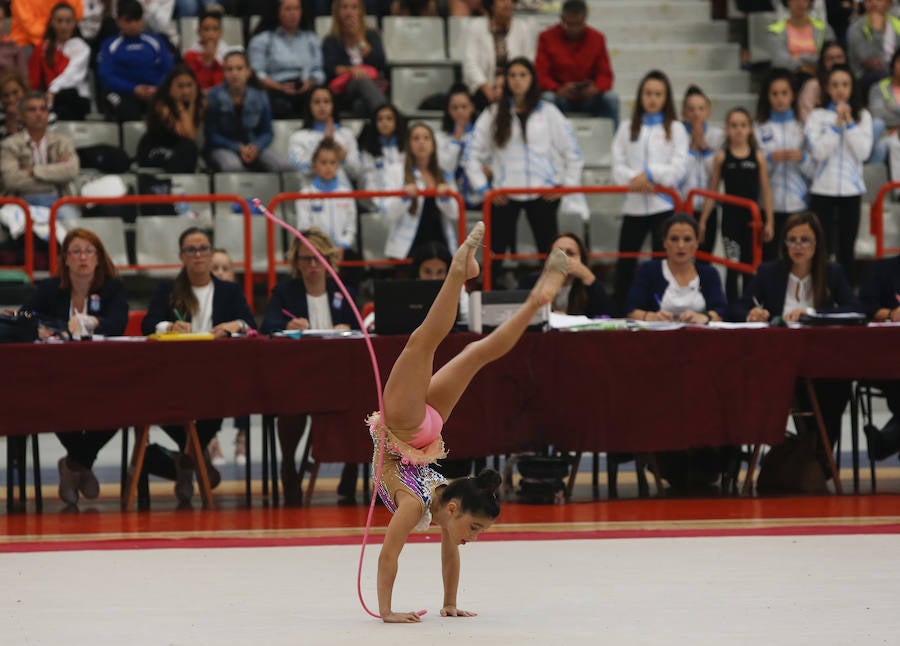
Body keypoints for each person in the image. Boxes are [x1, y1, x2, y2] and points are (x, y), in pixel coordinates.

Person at [372, 221, 568, 622]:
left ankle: (532, 302)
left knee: (467, 351)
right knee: (433, 342)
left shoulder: (433, 504)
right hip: (410, 429)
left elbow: (416, 555)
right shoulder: (429, 503)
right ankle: (464, 272)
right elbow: (390, 554)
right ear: (457, 508)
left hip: (414, 429)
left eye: (476, 531)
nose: (471, 539)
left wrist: (449, 604)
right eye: (475, 528)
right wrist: (387, 613)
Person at [141, 226, 256, 502]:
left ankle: (184, 463)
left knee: (216, 407)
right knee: (166, 410)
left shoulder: (228, 291)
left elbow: (250, 325)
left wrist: (234, 325)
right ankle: (193, 460)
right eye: (191, 249)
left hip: (216, 377)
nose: (198, 255)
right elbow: (148, 324)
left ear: (211, 252)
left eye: (203, 248)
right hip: (172, 375)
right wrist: (168, 325)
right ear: (182, 255)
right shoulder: (168, 289)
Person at [21, 228, 127, 505]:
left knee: (123, 404)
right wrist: (40, 326)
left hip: (104, 374)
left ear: (98, 258)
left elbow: (119, 322)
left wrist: (94, 323)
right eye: (76, 251)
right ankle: (82, 465)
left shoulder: (113, 289)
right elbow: (24, 314)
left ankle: (75, 464)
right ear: (65, 259)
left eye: (88, 251)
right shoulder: (49, 289)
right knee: (54, 403)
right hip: (59, 375)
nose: (83, 257)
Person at [739, 211, 858, 447]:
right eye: (792, 240)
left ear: (817, 244)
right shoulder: (769, 272)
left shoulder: (832, 272)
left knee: (838, 381)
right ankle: (802, 452)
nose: (798, 246)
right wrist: (752, 313)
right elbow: (738, 306)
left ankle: (818, 453)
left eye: (805, 240)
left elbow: (855, 309)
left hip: (819, 358)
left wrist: (812, 314)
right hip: (776, 357)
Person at [260, 228, 360, 506]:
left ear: (329, 260)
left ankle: (351, 473)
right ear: (296, 263)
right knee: (291, 405)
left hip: (340, 376)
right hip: (301, 376)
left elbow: (364, 328)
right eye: (306, 260)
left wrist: (348, 327)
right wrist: (286, 326)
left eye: (318, 259)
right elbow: (267, 326)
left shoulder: (345, 293)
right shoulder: (284, 293)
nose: (313, 266)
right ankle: (289, 468)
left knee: (361, 403)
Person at [464, 57, 583, 286]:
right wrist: (485, 190)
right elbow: (471, 154)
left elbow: (573, 152)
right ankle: (489, 300)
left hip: (543, 194)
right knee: (494, 255)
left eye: (523, 75)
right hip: (504, 195)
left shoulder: (549, 113)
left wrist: (564, 187)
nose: (517, 80)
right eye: (512, 75)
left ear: (532, 79)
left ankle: (553, 303)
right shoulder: (493, 113)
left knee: (549, 255)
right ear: (506, 80)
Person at [610, 69, 689, 309]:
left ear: (666, 98)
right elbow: (616, 165)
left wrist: (652, 174)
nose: (652, 99)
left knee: (661, 264)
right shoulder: (626, 128)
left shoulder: (676, 129)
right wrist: (636, 179)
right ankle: (622, 311)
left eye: (658, 94)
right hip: (633, 207)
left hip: (662, 207)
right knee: (625, 264)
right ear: (640, 96)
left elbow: (679, 167)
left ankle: (661, 309)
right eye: (648, 93)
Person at [806, 63, 873, 284]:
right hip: (823, 190)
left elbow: (863, 152)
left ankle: (846, 296)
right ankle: (819, 290)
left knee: (846, 247)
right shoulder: (817, 116)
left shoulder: (863, 116)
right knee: (822, 247)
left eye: (845, 84)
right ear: (827, 88)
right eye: (835, 85)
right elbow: (818, 152)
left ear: (852, 88)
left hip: (851, 191)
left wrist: (849, 123)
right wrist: (836, 125)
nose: (840, 90)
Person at [699, 107, 775, 302]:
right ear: (727, 129)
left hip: (753, 220)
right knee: (732, 266)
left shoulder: (758, 156)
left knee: (750, 266)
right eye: (734, 125)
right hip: (730, 220)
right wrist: (703, 220)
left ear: (750, 129)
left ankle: (750, 307)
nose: (738, 130)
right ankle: (732, 308)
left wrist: (770, 222)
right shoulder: (722, 157)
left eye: (743, 125)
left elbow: (766, 190)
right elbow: (713, 190)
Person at [755, 68, 814, 261]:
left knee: (797, 259)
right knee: (770, 260)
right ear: (767, 97)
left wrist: (802, 159)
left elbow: (815, 170)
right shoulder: (758, 129)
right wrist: (770, 160)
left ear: (793, 95)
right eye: (775, 94)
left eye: (784, 93)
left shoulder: (804, 126)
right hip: (769, 207)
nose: (780, 99)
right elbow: (754, 171)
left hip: (799, 205)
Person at [625, 213, 726, 323]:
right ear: (664, 242)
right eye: (674, 239)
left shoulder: (709, 273)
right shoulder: (648, 270)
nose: (681, 245)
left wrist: (704, 317)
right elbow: (631, 311)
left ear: (697, 243)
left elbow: (720, 312)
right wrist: (651, 317)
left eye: (687, 239)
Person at [534, 0, 618, 127]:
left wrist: (595, 88)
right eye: (569, 24)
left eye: (578, 24)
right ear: (562, 19)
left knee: (611, 99)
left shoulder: (597, 38)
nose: (573, 29)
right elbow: (540, 74)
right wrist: (558, 89)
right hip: (560, 96)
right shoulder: (546, 37)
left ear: (585, 18)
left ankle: (613, 143)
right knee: (547, 99)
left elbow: (606, 75)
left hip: (589, 97)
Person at [205, 49, 290, 172]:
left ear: (248, 72)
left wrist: (256, 146)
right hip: (222, 147)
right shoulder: (214, 96)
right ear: (224, 72)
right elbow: (211, 135)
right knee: (232, 166)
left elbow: (267, 132)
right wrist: (237, 148)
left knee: (284, 164)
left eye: (239, 68)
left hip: (253, 146)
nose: (234, 73)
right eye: (229, 69)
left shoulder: (260, 95)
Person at [0, 91, 80, 220]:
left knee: (72, 223)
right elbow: (11, 180)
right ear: (22, 115)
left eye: (43, 109)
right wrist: (54, 175)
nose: (39, 114)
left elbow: (71, 171)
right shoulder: (9, 145)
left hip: (57, 201)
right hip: (20, 201)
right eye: (32, 110)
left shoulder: (62, 141)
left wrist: (33, 171)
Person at [384, 122, 459, 259]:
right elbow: (388, 212)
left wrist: (445, 198)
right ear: (409, 144)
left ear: (433, 144)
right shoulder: (395, 171)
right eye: (416, 138)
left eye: (426, 138)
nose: (421, 143)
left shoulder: (444, 173)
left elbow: (456, 213)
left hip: (440, 244)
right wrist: (404, 197)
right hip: (408, 247)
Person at [96, 0, 174, 122]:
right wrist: (133, 88)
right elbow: (105, 75)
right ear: (119, 21)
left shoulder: (156, 42)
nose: (133, 25)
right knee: (124, 109)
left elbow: (169, 70)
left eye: (137, 20)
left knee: (167, 107)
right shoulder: (109, 45)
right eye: (128, 20)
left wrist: (158, 88)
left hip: (155, 92)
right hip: (122, 92)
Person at [207, 247, 250, 467]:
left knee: (247, 378)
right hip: (206, 364)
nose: (220, 273)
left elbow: (251, 325)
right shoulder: (202, 297)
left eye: (226, 268)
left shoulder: (235, 295)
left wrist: (237, 326)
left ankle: (242, 435)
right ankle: (211, 438)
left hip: (234, 363)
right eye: (215, 268)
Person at [247, 0, 324, 119]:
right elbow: (256, 73)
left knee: (321, 101)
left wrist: (309, 83)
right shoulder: (262, 40)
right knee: (278, 105)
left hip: (305, 89)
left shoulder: (311, 39)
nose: (293, 13)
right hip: (274, 89)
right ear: (277, 12)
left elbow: (318, 71)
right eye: (288, 9)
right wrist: (279, 87)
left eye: (296, 9)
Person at [859, 252, 900, 461]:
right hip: (889, 358)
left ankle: (888, 440)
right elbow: (863, 307)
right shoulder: (885, 269)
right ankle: (887, 441)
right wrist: (891, 314)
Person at [520, 231, 617, 318]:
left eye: (570, 253)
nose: (564, 258)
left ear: (581, 259)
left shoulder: (589, 284)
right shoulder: (530, 283)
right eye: (558, 253)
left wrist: (588, 277)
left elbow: (609, 316)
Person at [462, 0, 534, 112]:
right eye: (502, 1)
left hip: (514, 84)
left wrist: (507, 81)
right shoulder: (476, 27)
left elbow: (527, 62)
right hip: (484, 88)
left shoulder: (522, 28)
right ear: (491, 5)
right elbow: (470, 63)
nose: (507, 4)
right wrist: (487, 90)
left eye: (510, 1)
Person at [678, 85, 724, 258]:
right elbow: (678, 173)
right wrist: (691, 148)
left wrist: (704, 147)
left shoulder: (718, 136)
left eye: (701, 108)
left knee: (704, 258)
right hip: (682, 206)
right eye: (691, 109)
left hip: (708, 207)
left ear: (708, 111)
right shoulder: (678, 133)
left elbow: (717, 174)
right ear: (684, 113)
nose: (696, 113)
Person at [322, 0, 388, 117]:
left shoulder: (372, 35)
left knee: (360, 106)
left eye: (354, 7)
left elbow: (380, 65)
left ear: (361, 11)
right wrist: (352, 70)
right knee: (361, 79)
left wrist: (360, 39)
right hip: (343, 91)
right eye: (344, 7)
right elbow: (330, 69)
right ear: (337, 11)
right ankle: (387, 116)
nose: (349, 12)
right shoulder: (331, 40)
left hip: (372, 88)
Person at [295, 140, 357, 262]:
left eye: (332, 162)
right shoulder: (305, 194)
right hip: (315, 253)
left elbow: (351, 227)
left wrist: (343, 246)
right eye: (323, 162)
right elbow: (304, 228)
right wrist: (318, 249)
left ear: (337, 166)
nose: (328, 167)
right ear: (314, 165)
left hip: (342, 252)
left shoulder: (346, 193)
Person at [28, 2, 92, 121]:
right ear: (52, 22)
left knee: (67, 95)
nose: (64, 26)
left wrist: (53, 90)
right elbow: (34, 79)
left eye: (68, 21)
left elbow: (73, 76)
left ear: (74, 23)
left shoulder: (82, 47)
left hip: (75, 98)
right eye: (59, 21)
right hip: (50, 99)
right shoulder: (42, 48)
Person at [136, 63, 205, 172]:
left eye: (189, 85)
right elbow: (188, 135)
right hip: (155, 148)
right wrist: (178, 103)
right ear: (170, 87)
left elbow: (190, 135)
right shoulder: (161, 104)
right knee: (187, 152)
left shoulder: (199, 103)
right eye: (180, 86)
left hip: (179, 148)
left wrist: (192, 103)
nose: (186, 91)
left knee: (189, 150)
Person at [288, 85, 361, 184]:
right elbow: (300, 169)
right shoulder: (298, 137)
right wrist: (324, 143)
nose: (322, 106)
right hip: (311, 195)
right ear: (309, 106)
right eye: (317, 102)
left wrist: (339, 151)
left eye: (326, 101)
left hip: (343, 195)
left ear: (333, 105)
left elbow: (356, 172)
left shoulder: (346, 134)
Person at [436, 84, 481, 210]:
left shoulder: (481, 135)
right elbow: (445, 167)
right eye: (454, 108)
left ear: (472, 107)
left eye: (464, 107)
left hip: (481, 193)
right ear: (449, 111)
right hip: (453, 197)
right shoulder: (440, 137)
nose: (459, 111)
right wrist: (456, 140)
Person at [358, 103, 407, 213]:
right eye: (380, 119)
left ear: (396, 122)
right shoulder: (368, 152)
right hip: (377, 207)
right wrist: (380, 204)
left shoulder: (407, 149)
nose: (384, 122)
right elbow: (368, 182)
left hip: (405, 204)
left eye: (389, 118)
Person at [767, 0, 836, 76]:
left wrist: (797, 57)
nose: (799, 2)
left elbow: (830, 56)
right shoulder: (776, 30)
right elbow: (780, 61)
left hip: (820, 77)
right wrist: (803, 67)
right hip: (788, 78)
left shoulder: (824, 28)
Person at [846, 0, 900, 96]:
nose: (874, 3)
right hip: (865, 77)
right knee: (881, 75)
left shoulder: (897, 24)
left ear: (889, 3)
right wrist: (877, 31)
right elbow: (872, 63)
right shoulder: (856, 28)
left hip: (895, 74)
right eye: (869, 0)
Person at [797, 40, 846, 124]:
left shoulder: (851, 83)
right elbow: (806, 118)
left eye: (839, 57)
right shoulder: (813, 85)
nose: (835, 62)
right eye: (830, 59)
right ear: (823, 62)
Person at [183, 4, 229, 92]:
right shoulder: (190, 55)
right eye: (206, 29)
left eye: (215, 29)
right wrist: (208, 63)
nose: (211, 34)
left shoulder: (229, 54)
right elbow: (193, 83)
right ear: (199, 32)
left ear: (220, 32)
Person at [10, 0, 84, 50]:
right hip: (26, 43)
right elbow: (31, 28)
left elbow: (77, 15)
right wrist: (56, 28)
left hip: (60, 39)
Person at [0, 70, 28, 138]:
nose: (11, 99)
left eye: (15, 92)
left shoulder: (39, 110)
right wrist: (11, 121)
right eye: (6, 95)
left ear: (24, 90)